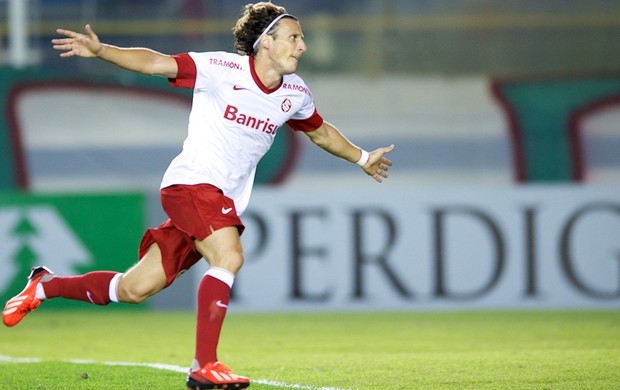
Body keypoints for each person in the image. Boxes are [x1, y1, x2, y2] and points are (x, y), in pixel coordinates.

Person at [2, 2, 394, 389]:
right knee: (229, 256)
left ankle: (45, 284)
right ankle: (204, 365)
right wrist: (102, 51)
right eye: (294, 36)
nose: (302, 45)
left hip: (216, 198)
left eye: (302, 38)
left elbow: (320, 131)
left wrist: (362, 158)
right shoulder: (222, 69)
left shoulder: (294, 92)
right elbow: (156, 62)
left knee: (134, 288)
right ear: (265, 43)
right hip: (192, 184)